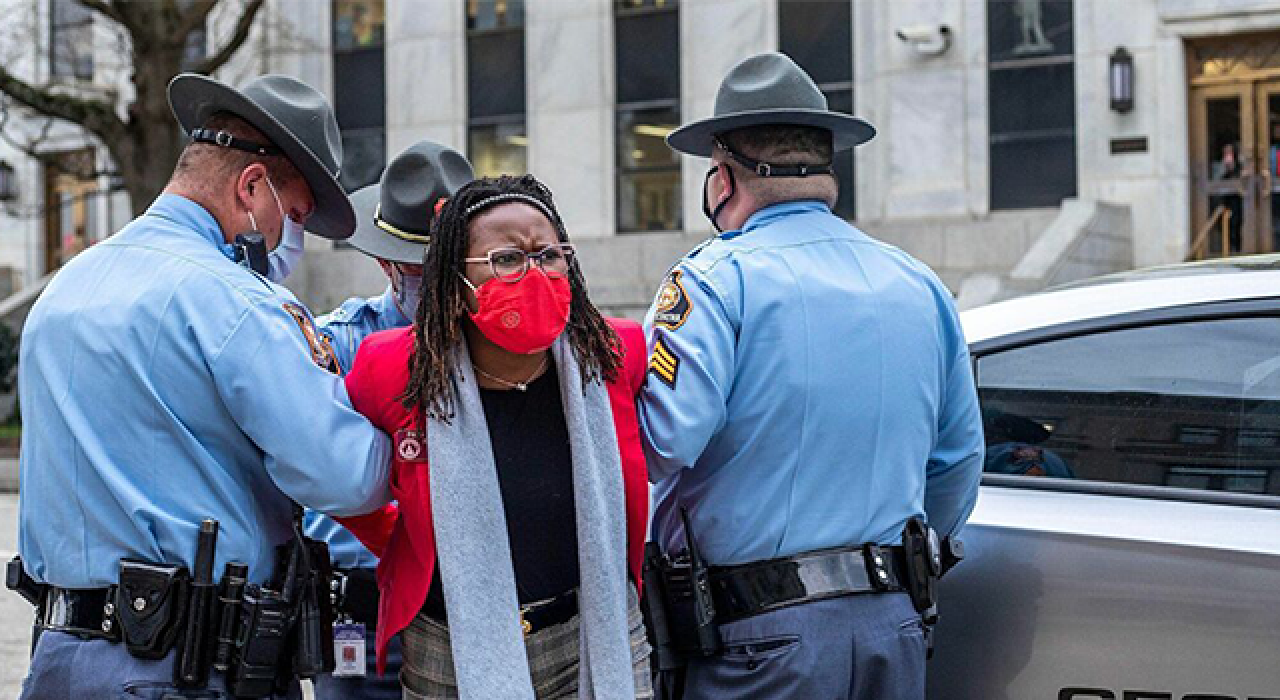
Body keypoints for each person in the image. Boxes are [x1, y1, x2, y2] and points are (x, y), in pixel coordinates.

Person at [13, 73, 392, 698]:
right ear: (251, 187)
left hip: (62, 659)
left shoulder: (68, 285)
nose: (288, 235)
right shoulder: (234, 300)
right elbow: (342, 475)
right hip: (185, 668)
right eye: (292, 214)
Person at [637, 53, 984, 699]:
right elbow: (958, 460)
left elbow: (663, 442)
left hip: (759, 638)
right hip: (893, 623)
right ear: (826, 169)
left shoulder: (714, 278)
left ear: (724, 176)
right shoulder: (917, 281)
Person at [338, 175, 653, 699]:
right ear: (453, 281)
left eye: (549, 255)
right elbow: (338, 481)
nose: (533, 272)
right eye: (506, 259)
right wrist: (406, 537)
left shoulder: (617, 354)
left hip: (594, 635)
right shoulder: (392, 369)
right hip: (449, 643)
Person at [306, 140, 474, 700]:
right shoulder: (342, 343)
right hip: (363, 610)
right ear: (385, 264)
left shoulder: (499, 348)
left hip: (467, 609)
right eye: (421, 270)